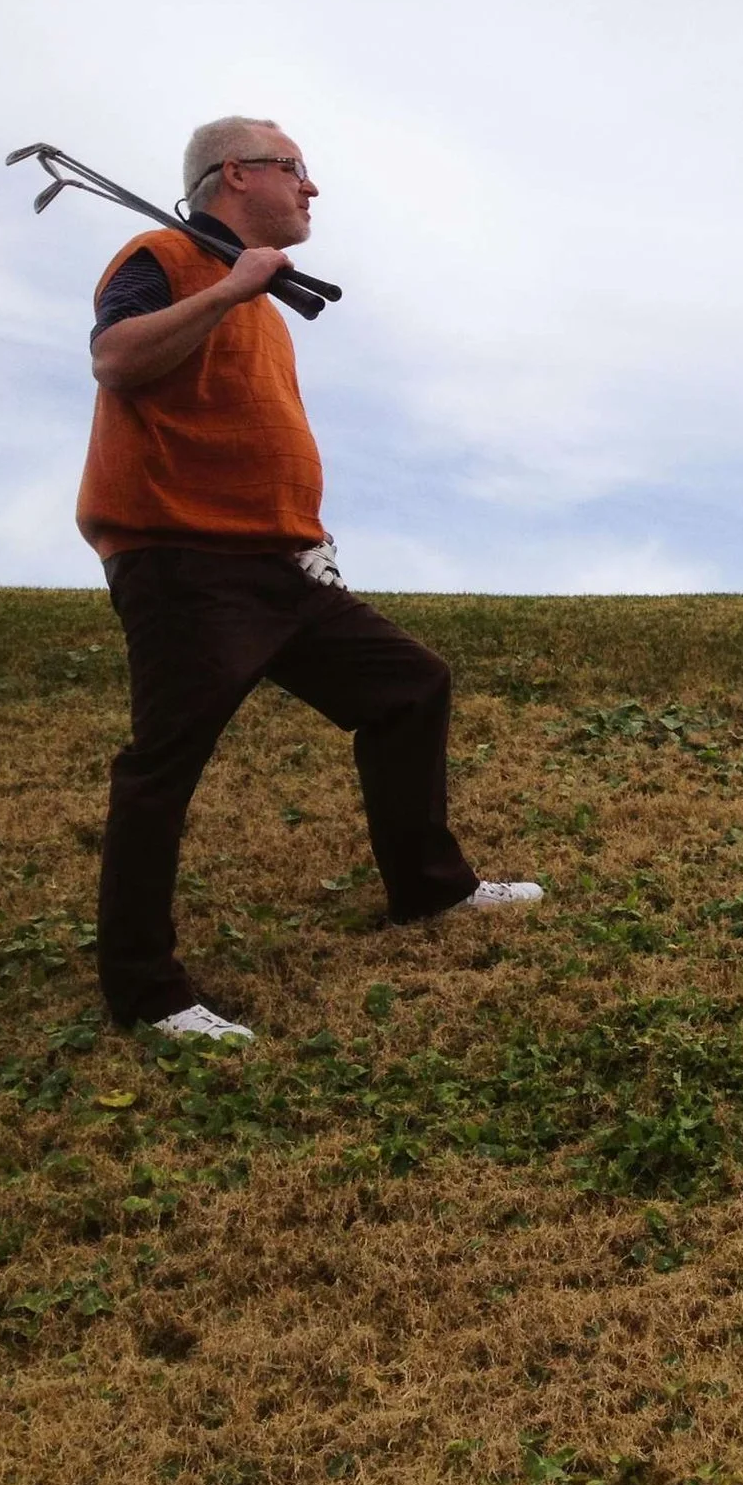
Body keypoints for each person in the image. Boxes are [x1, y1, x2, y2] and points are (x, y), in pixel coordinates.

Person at [77, 115, 539, 1043]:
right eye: (296, 170)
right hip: (182, 561)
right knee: (165, 766)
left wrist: (307, 537)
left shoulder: (260, 297)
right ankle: (144, 990)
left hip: (280, 563)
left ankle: (427, 890)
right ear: (235, 175)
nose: (312, 188)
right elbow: (116, 360)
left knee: (408, 687)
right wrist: (230, 288)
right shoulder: (162, 254)